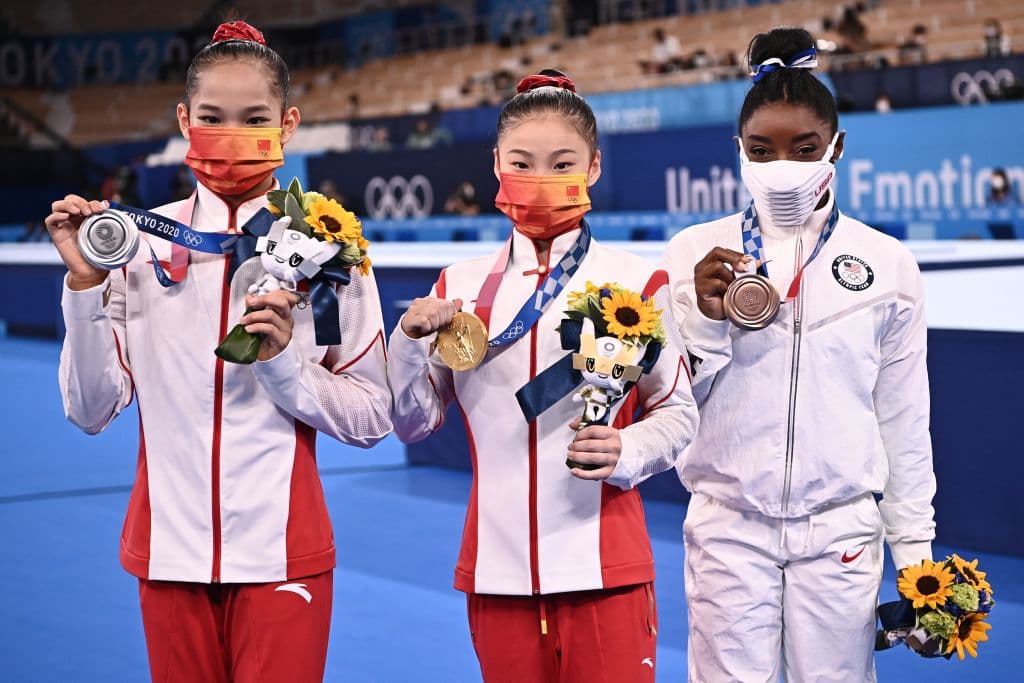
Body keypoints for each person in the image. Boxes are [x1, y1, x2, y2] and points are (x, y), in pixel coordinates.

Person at [44, 20, 392, 682]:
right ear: (183, 120)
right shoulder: (138, 246)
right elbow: (90, 409)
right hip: (168, 556)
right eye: (212, 117)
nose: (230, 135)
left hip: (282, 556)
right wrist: (84, 286)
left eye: (253, 118)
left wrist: (286, 367)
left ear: (288, 124)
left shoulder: (327, 253)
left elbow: (374, 414)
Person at [388, 69, 698, 682]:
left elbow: (678, 410)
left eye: (563, 164)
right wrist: (404, 344)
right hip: (497, 572)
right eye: (523, 163)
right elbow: (412, 423)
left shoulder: (639, 282)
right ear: (497, 164)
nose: (542, 180)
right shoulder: (460, 285)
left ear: (594, 168)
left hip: (606, 569)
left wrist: (627, 447)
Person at [661, 28, 937, 681]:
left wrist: (917, 553)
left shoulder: (887, 263)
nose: (782, 164)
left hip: (839, 529)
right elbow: (668, 405)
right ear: (738, 152)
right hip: (729, 524)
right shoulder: (692, 252)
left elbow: (902, 420)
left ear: (836, 147)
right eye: (762, 149)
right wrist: (703, 320)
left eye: (804, 148)